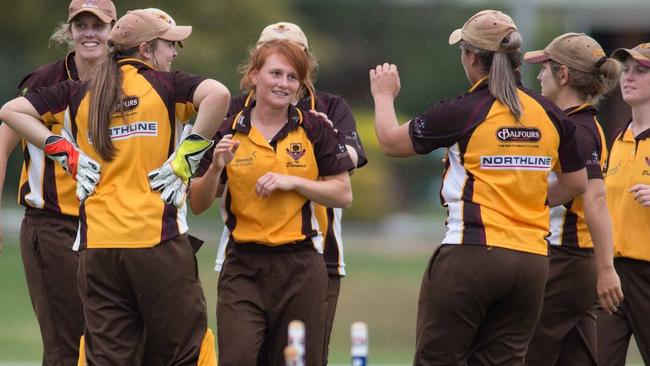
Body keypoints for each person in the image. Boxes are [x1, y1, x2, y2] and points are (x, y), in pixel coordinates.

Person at [0, 9, 229, 365]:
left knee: (106, 357)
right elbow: (219, 95)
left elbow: (11, 111)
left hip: (97, 248)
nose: (174, 54)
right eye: (170, 45)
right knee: (184, 353)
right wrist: (187, 157)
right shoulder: (167, 85)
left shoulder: (79, 91)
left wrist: (65, 153)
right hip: (157, 241)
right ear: (146, 49)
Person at [370, 9, 587, 365]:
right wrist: (529, 198)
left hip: (471, 254)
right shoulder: (550, 113)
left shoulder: (465, 109)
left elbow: (392, 143)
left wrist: (383, 96)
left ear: (471, 57)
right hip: (532, 264)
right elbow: (576, 182)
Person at [189, 39, 354, 365]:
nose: (284, 84)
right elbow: (196, 203)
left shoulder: (315, 127)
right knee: (236, 358)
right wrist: (216, 170)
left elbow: (343, 194)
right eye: (275, 73)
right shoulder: (228, 127)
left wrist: (293, 182)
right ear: (253, 76)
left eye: (292, 77)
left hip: (301, 266)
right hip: (243, 267)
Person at [0, 1, 116, 364]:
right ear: (70, 31)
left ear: (114, 30)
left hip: (110, 227)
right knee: (68, 346)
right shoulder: (45, 82)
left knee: (112, 342)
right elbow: (2, 143)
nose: (89, 33)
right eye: (80, 25)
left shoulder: (128, 81)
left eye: (97, 25)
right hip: (53, 225)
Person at [522, 32, 623, 366]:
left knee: (523, 354)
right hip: (575, 264)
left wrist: (606, 269)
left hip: (565, 260)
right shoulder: (578, 125)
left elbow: (594, 198)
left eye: (545, 69)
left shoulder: (577, 130)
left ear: (563, 75)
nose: (538, 76)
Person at [596, 42, 650, 366]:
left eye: (641, 71)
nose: (628, 78)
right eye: (626, 71)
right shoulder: (616, 139)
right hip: (613, 276)